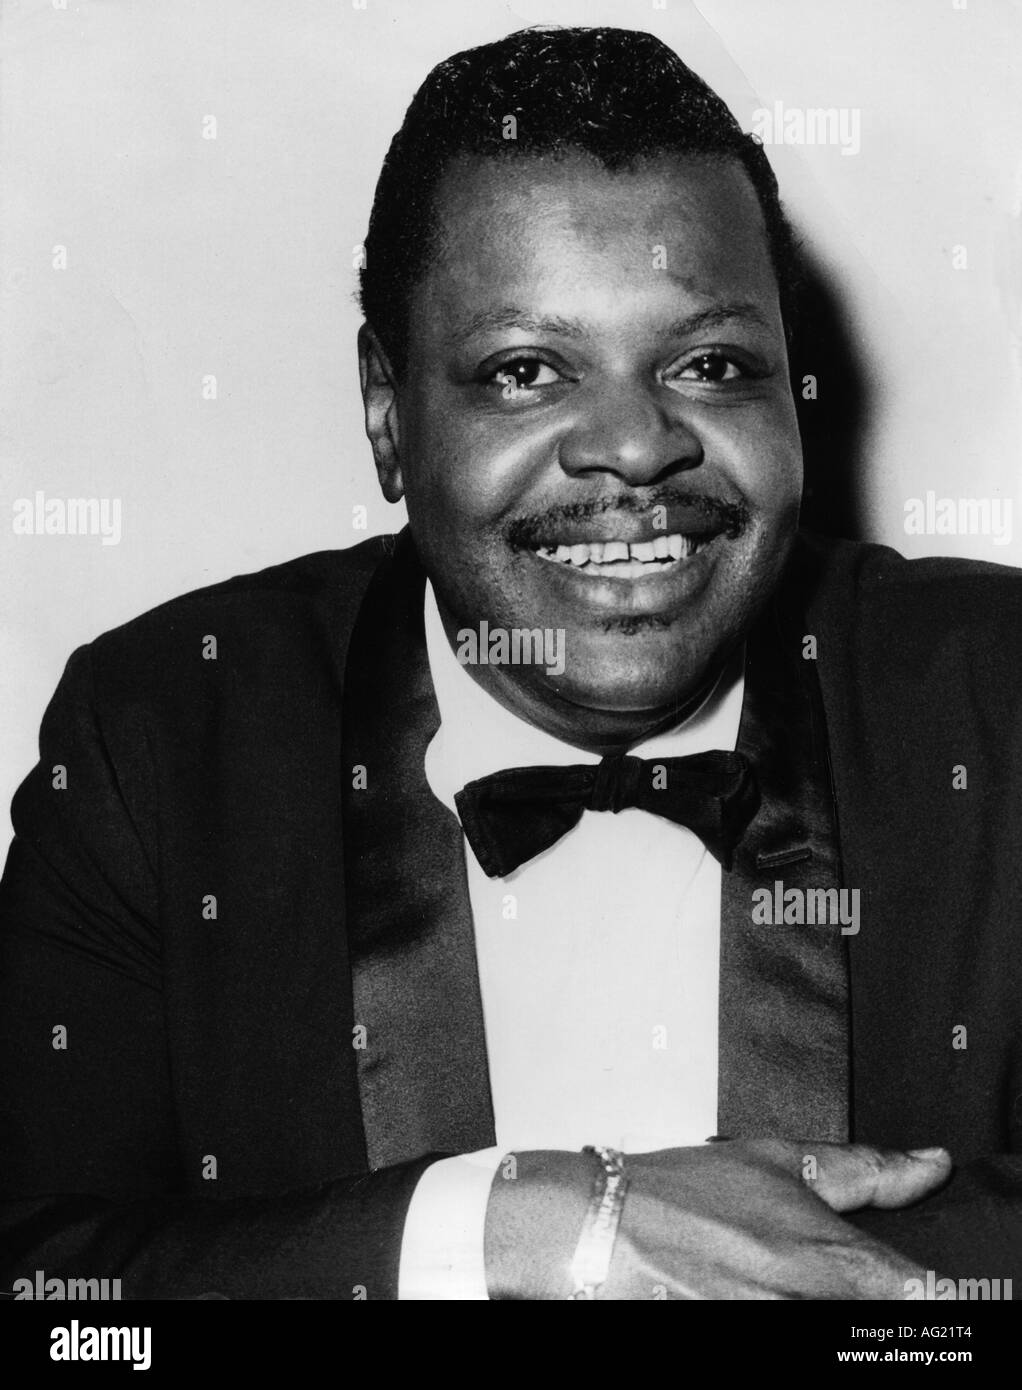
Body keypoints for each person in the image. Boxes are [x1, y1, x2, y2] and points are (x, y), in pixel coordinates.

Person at [1, 26, 1019, 1302]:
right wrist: (522, 1229)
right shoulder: (160, 739)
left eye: (709, 364)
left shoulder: (995, 699)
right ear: (387, 412)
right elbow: (47, 1287)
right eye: (525, 371)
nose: (634, 448)